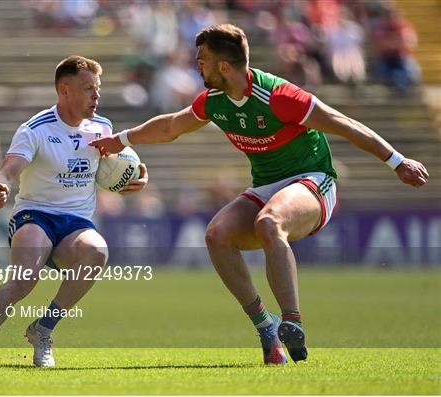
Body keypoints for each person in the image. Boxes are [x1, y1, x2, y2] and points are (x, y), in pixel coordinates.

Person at [90, 24, 429, 365]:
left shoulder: (279, 96)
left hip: (313, 181)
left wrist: (397, 161)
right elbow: (170, 126)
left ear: (224, 66)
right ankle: (267, 327)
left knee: (270, 222)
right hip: (267, 184)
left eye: (203, 60)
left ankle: (292, 323)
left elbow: (344, 124)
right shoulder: (214, 102)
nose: (198, 66)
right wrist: (120, 140)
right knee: (216, 236)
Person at [0, 55, 148, 368]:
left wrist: (136, 178)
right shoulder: (35, 129)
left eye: (98, 88)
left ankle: (43, 329)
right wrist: (0, 186)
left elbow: (118, 167)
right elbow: (7, 171)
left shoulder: (103, 127)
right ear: (64, 90)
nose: (96, 95)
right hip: (35, 216)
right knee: (24, 281)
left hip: (76, 224)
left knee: (98, 252)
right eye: (88, 88)